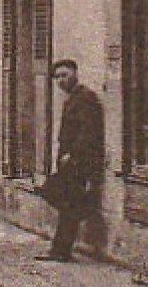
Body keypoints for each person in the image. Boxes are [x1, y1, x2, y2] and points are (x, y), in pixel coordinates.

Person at [38, 59, 105, 263]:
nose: (60, 81)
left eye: (64, 75)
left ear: (75, 73)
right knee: (67, 204)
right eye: (57, 77)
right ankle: (60, 249)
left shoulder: (85, 98)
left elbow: (88, 132)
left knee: (67, 203)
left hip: (80, 162)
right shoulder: (72, 98)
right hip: (71, 161)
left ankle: (61, 250)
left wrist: (73, 154)